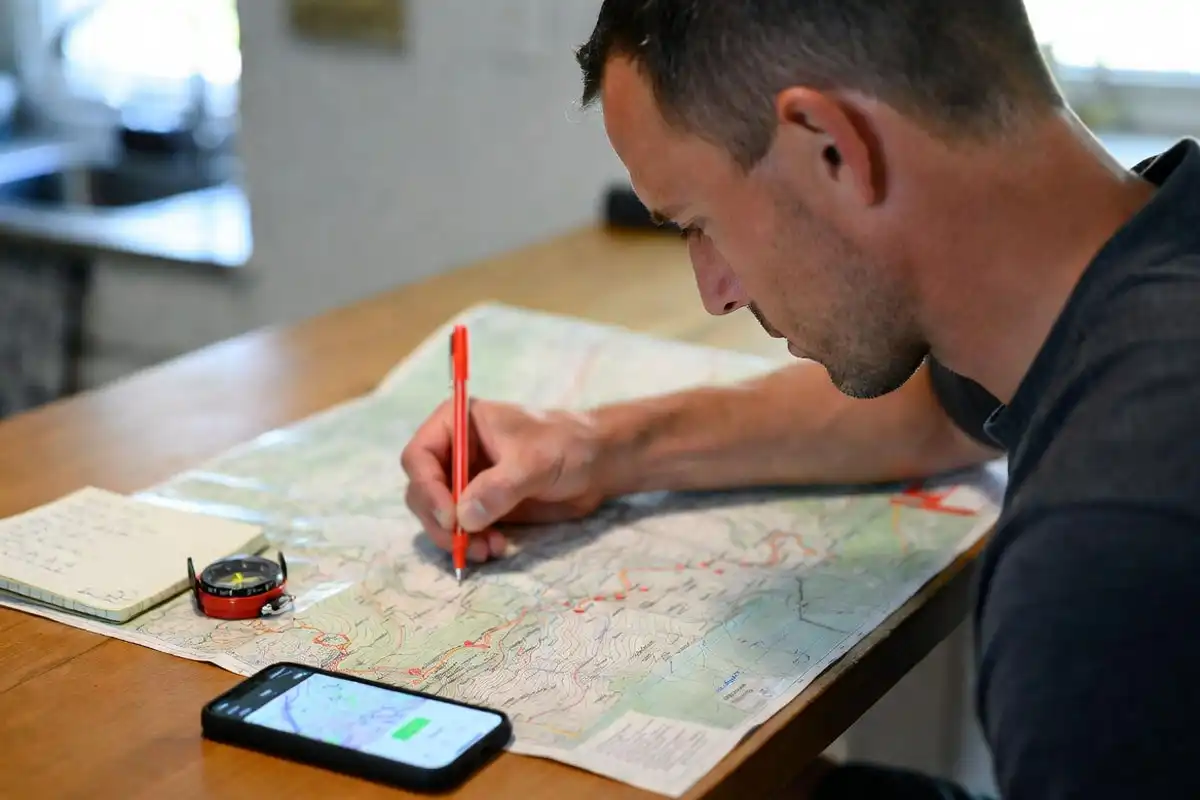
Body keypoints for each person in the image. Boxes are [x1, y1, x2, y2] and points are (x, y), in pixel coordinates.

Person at [401, 1, 1200, 797]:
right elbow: (937, 405)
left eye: (697, 221)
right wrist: (601, 446)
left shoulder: (1111, 554)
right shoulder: (1122, 277)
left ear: (831, 150)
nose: (714, 291)